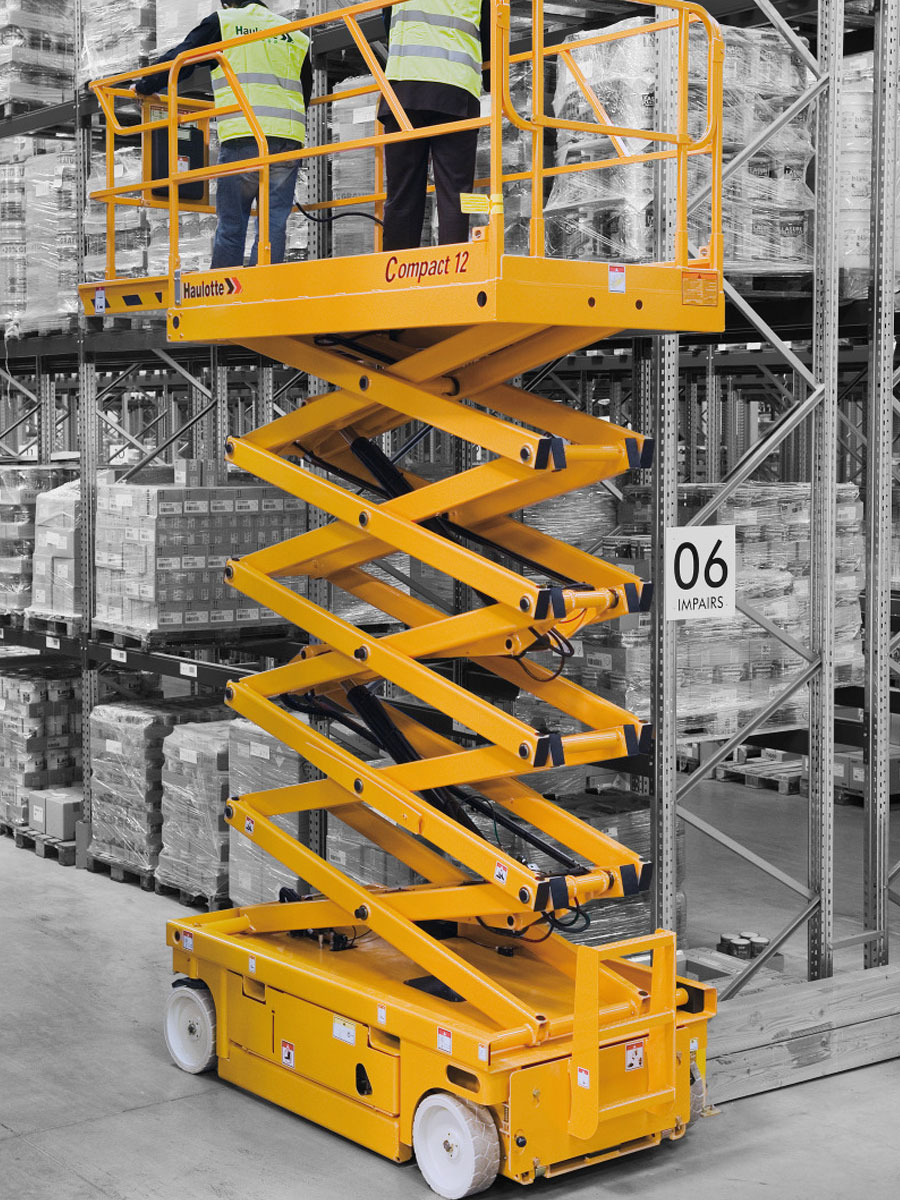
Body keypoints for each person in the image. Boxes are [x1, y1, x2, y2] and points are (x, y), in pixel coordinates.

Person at [135, 1, 312, 268]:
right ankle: (264, 287)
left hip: (245, 136)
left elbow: (182, 59)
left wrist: (144, 84)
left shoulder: (226, 22)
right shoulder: (295, 34)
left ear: (227, 3)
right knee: (273, 224)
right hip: (287, 140)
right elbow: (304, 90)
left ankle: (226, 289)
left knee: (232, 224)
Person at [380, 0, 490, 251]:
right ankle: (453, 264)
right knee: (455, 191)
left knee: (402, 190)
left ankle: (396, 266)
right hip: (456, 88)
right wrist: (492, 79)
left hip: (404, 87)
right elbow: (491, 30)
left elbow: (387, 19)